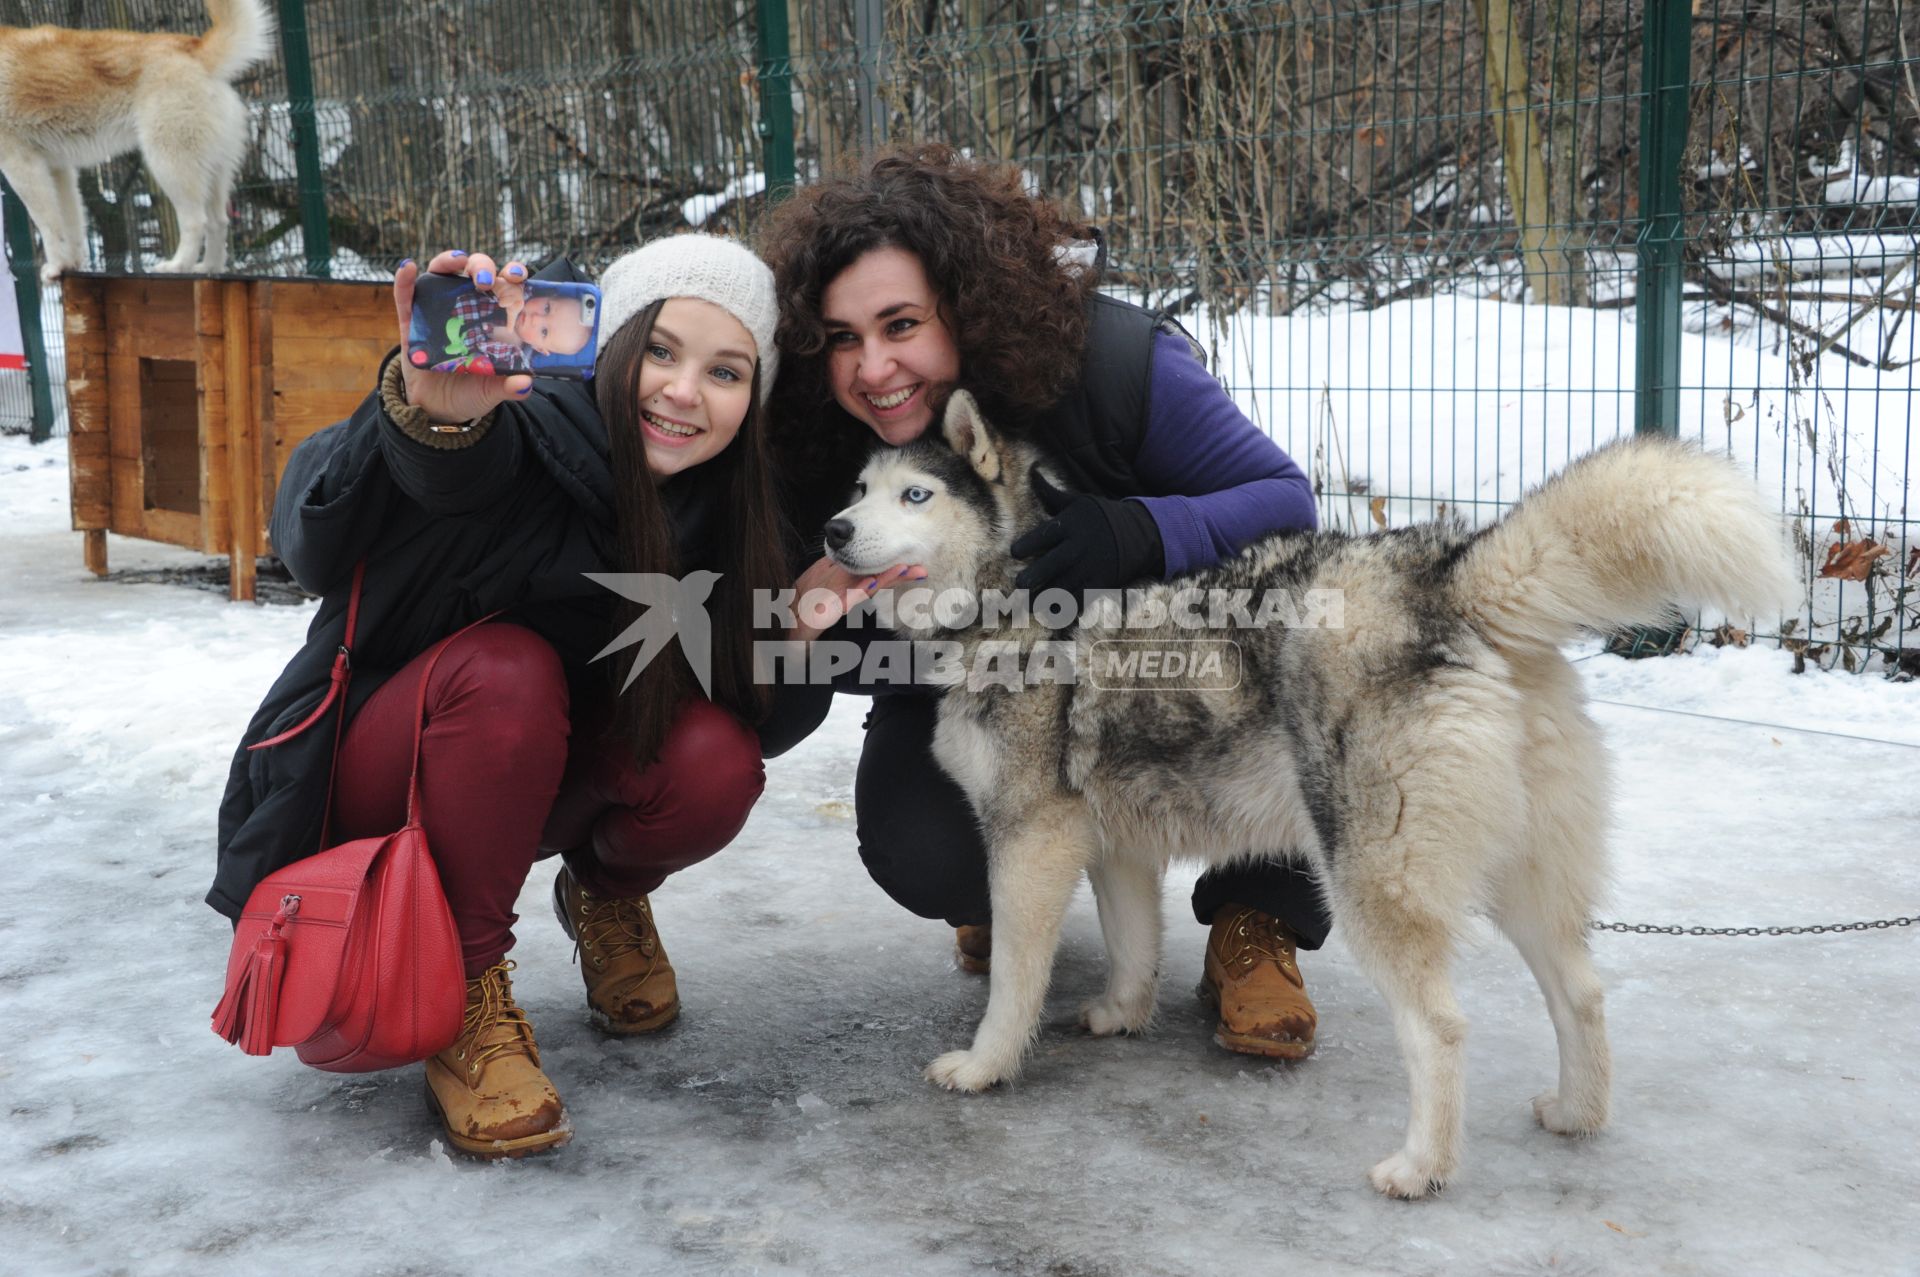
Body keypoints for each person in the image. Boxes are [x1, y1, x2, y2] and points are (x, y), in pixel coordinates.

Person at [211, 235, 788, 1158]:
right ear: (604, 345)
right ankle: (465, 999)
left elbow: (771, 722)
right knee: (508, 669)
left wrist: (797, 633)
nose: (685, 391)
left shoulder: (728, 503)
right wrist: (423, 415)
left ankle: (604, 896)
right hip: (374, 781)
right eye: (662, 350)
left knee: (714, 759)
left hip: (531, 775)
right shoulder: (518, 421)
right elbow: (310, 537)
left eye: (726, 371)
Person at [757, 144, 1333, 1060]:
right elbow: (788, 659)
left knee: (1268, 697)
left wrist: (1140, 530)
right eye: (840, 338)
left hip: (1186, 666)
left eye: (901, 324)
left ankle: (1255, 921)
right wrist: (800, 623)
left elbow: (1282, 499)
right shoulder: (824, 431)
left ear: (967, 305)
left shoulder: (1111, 362)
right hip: (973, 681)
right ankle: (1003, 902)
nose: (872, 367)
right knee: (923, 844)